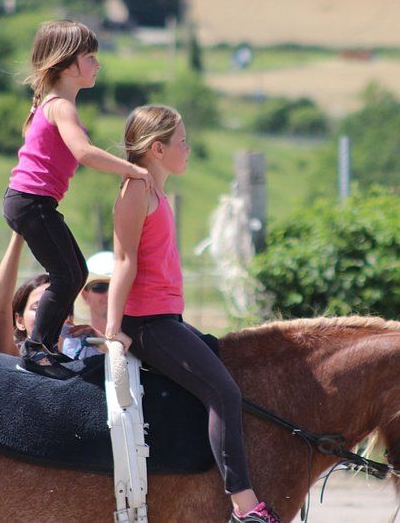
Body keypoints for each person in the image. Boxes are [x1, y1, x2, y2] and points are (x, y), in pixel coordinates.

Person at [105, 105, 281, 523]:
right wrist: (113, 329)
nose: (189, 148)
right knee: (224, 392)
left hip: (167, 318)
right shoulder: (136, 192)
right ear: (157, 148)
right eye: (182, 141)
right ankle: (244, 506)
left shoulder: (156, 191)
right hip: (148, 323)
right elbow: (124, 260)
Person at [3, 20, 154, 377]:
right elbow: (84, 152)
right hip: (31, 201)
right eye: (90, 57)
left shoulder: (53, 105)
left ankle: (46, 346)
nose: (97, 64)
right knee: (66, 274)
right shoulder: (60, 107)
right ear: (68, 65)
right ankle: (37, 350)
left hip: (33, 203)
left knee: (75, 273)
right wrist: (133, 170)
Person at [0, 232, 99, 358]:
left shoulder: (85, 361)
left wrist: (103, 342)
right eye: (38, 307)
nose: (48, 312)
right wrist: (18, 234)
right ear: (19, 321)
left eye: (57, 307)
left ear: (69, 320)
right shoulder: (12, 359)